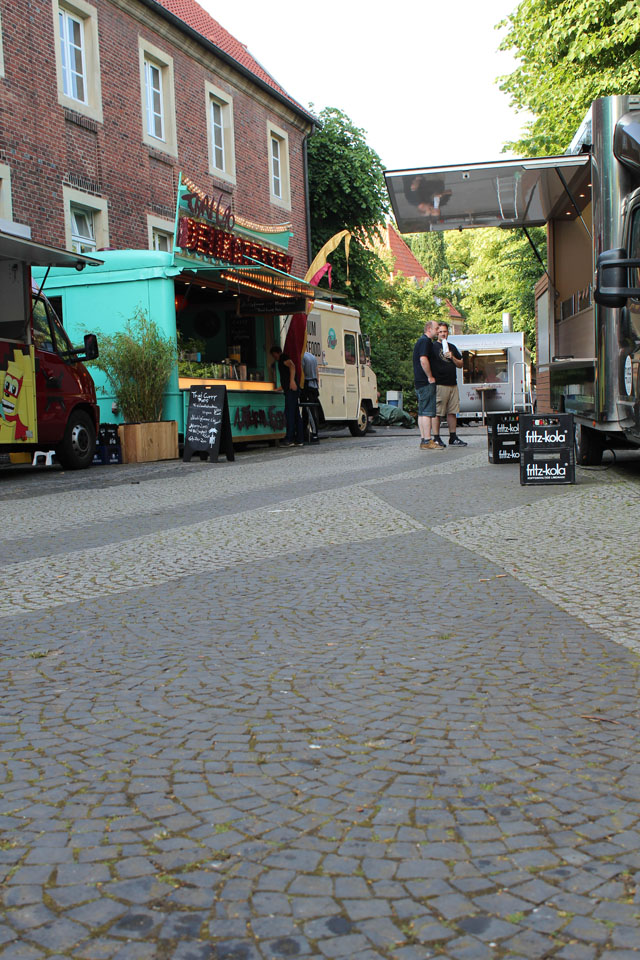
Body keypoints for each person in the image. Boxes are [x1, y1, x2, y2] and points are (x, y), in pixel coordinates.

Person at [431, 322, 468, 447]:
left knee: (452, 411)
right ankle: (436, 437)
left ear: (448, 332)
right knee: (438, 412)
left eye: (445, 331)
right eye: (440, 331)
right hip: (439, 384)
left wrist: (452, 357)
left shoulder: (452, 347)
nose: (443, 334)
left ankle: (453, 437)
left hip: (453, 383)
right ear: (437, 333)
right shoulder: (433, 347)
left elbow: (461, 364)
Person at [412, 319, 442, 451]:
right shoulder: (425, 341)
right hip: (425, 382)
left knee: (422, 412)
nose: (438, 331)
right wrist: (430, 376)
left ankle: (423, 438)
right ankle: (427, 440)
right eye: (436, 328)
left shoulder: (421, 341)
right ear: (429, 329)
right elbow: (423, 359)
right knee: (427, 412)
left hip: (420, 382)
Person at [270, 345, 303, 446]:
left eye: (274, 355)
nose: (274, 357)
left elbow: (292, 366)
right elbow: (286, 377)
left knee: (290, 413)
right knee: (295, 414)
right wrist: (280, 387)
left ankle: (289, 438)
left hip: (291, 390)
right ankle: (299, 438)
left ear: (276, 353)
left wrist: (292, 381)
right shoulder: (281, 360)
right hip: (291, 389)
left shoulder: (283, 358)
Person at [301, 349, 320, 443]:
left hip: (307, 386)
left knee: (309, 411)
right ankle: (305, 432)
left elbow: (302, 373)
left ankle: (315, 434)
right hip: (314, 385)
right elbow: (317, 372)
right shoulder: (312, 356)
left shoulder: (302, 357)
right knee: (309, 411)